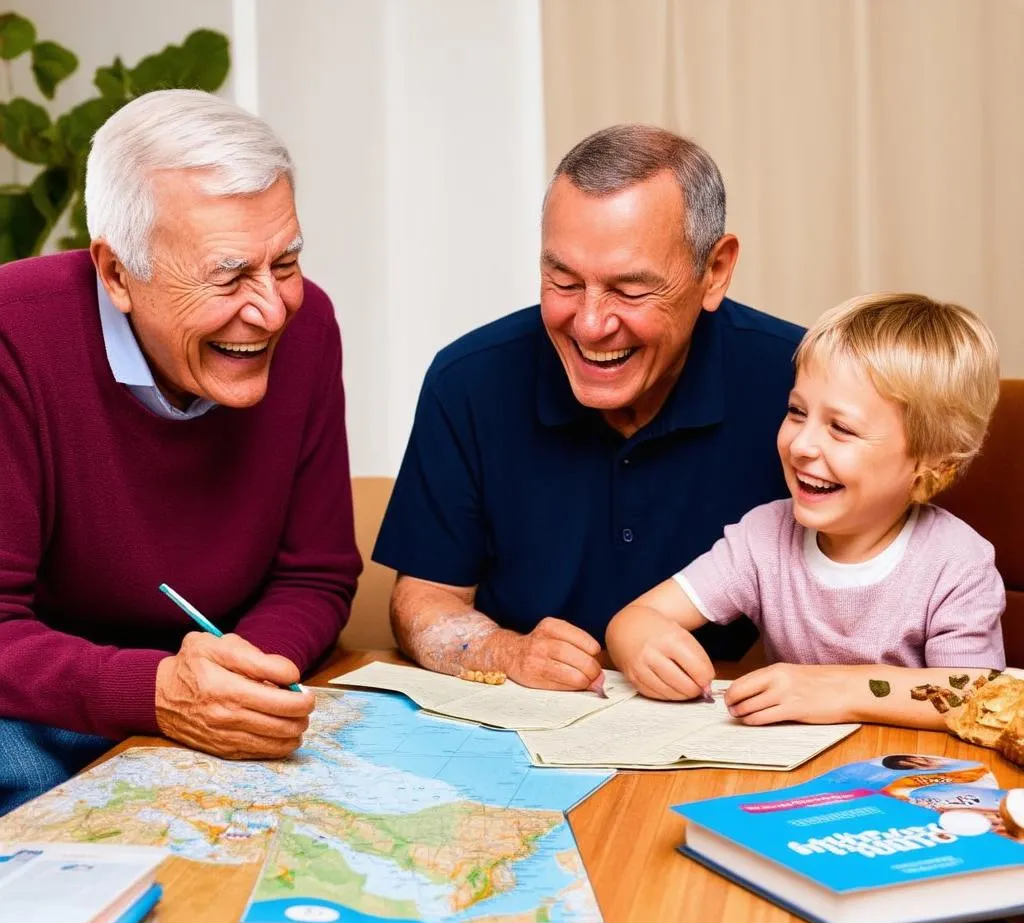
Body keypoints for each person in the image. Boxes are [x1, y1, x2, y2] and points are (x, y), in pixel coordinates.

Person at [0, 90, 361, 814]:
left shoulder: (309, 324)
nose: (270, 310)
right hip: (40, 707)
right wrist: (157, 692)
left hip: (212, 695)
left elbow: (315, 575)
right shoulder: (13, 335)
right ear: (115, 274)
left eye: (284, 262)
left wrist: (247, 675)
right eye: (228, 275)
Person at [374, 124, 804, 692]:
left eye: (630, 289)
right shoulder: (469, 380)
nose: (591, 324)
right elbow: (425, 597)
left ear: (715, 271)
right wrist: (506, 652)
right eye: (564, 280)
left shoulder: (801, 383)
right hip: (529, 719)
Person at [606, 293, 1004, 727]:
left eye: (841, 428)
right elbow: (633, 619)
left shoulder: (958, 564)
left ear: (933, 462)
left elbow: (975, 695)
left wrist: (839, 691)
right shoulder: (763, 537)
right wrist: (639, 640)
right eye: (797, 411)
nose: (801, 445)